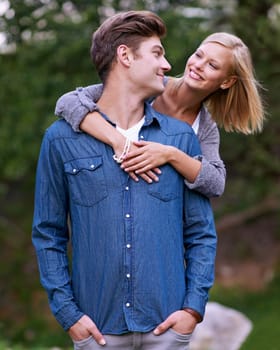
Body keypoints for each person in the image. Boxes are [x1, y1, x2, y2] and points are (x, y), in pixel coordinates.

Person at [32, 10, 217, 350]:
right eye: (157, 53)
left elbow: (201, 234)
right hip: (97, 330)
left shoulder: (179, 139)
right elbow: (48, 233)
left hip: (168, 330)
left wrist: (193, 309)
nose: (167, 66)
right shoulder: (60, 140)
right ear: (125, 56)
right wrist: (68, 314)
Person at [55, 31, 265, 198]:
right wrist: (119, 142)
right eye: (199, 55)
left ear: (227, 81)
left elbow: (216, 184)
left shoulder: (204, 127)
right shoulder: (149, 85)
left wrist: (170, 154)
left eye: (212, 65)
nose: (198, 66)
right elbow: (67, 103)